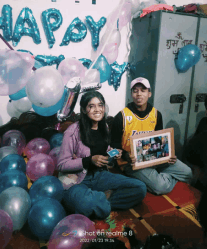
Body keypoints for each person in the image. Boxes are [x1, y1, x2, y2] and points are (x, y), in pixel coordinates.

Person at [57, 91, 147, 220]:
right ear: (83, 109)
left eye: (100, 105)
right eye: (91, 106)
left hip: (100, 176)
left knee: (140, 188)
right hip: (77, 180)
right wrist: (89, 160)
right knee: (85, 204)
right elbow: (61, 164)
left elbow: (105, 152)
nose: (97, 109)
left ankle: (98, 202)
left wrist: (115, 152)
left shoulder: (103, 126)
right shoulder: (72, 131)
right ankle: (100, 199)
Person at [111, 77, 192, 195]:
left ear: (149, 93)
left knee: (187, 173)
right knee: (160, 187)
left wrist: (168, 154)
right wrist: (125, 155)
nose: (139, 94)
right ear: (131, 94)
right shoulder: (121, 116)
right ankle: (158, 179)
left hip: (154, 158)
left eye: (143, 90)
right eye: (135, 90)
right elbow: (113, 146)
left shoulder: (156, 114)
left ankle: (158, 177)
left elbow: (159, 142)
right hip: (131, 163)